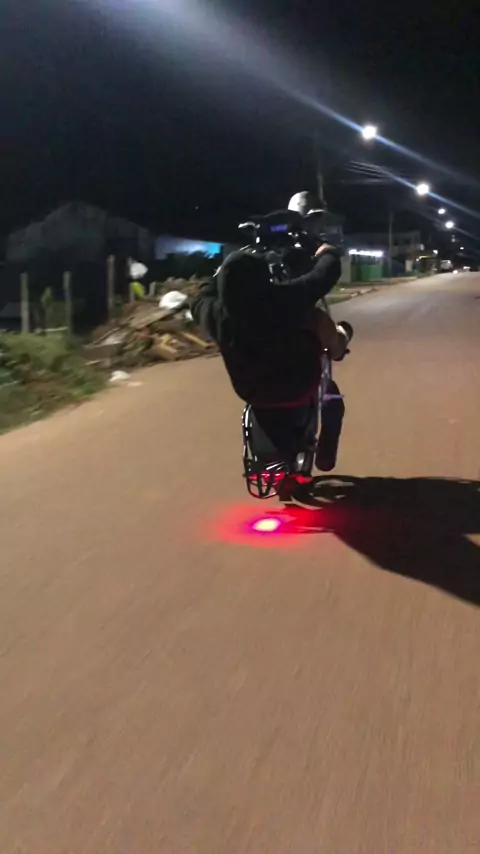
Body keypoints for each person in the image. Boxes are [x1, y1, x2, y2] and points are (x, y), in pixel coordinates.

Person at [190, 196, 352, 472]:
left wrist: (215, 277)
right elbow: (322, 277)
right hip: (300, 385)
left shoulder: (216, 315)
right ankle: (325, 453)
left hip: (252, 391)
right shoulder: (288, 302)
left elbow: (199, 299)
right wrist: (326, 253)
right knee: (332, 395)